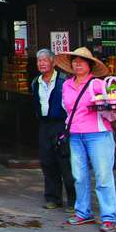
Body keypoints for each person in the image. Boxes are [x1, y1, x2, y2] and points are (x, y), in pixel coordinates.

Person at [55, 47, 116, 232]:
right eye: (75, 61)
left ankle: (109, 217)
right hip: (75, 135)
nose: (77, 64)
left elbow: (112, 106)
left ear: (90, 65)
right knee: (79, 176)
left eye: (82, 61)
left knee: (103, 176)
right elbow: (67, 109)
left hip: (98, 135)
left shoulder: (98, 84)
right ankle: (83, 212)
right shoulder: (66, 85)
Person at [32, 48, 75, 210]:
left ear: (53, 62)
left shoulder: (64, 81)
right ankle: (53, 198)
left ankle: (73, 201)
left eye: (45, 60)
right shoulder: (35, 82)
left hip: (61, 124)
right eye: (39, 61)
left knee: (65, 162)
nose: (42, 63)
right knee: (47, 161)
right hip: (45, 125)